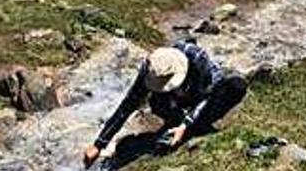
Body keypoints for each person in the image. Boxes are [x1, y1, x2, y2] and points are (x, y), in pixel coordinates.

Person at [83, 41, 248, 168]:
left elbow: (209, 93)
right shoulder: (151, 69)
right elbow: (127, 106)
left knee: (236, 85)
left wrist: (186, 125)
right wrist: (99, 144)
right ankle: (176, 127)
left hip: (202, 97)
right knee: (158, 104)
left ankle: (189, 128)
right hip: (175, 103)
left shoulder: (197, 58)